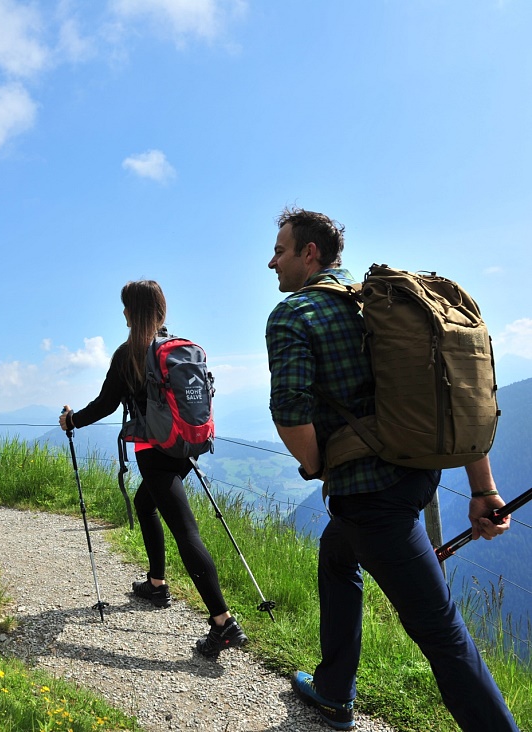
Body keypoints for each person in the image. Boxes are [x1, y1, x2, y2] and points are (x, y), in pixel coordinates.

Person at [265, 207, 516, 731]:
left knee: (443, 634)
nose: (272, 263)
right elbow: (454, 398)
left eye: (280, 250)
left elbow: (290, 412)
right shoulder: (381, 305)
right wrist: (483, 489)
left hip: (370, 500)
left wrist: (317, 467)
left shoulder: (295, 315)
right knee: (336, 554)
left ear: (310, 254)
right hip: (416, 475)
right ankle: (334, 691)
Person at [60, 280, 247, 657]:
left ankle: (222, 622)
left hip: (154, 450)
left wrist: (72, 421)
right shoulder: (176, 349)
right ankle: (157, 584)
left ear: (133, 312)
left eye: (126, 307)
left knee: (185, 530)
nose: (123, 313)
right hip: (184, 447)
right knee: (147, 503)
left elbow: (105, 404)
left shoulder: (129, 354)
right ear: (161, 310)